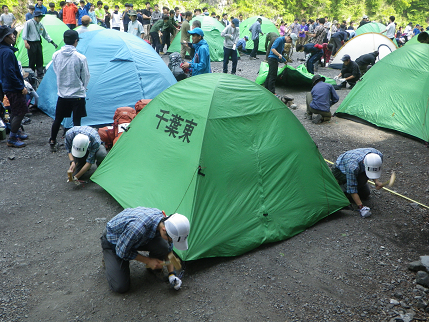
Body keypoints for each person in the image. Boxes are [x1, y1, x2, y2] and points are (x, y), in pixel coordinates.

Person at [100, 208, 190, 293]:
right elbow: (121, 251)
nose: (171, 242)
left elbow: (168, 248)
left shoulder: (164, 222)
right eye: (171, 239)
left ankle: (153, 268)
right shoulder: (137, 229)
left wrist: (172, 275)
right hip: (115, 241)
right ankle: (109, 257)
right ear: (164, 230)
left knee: (163, 245)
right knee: (120, 286)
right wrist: (148, 261)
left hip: (135, 237)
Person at [49, 30, 90, 152]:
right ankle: (75, 145)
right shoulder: (80, 57)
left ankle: (52, 140)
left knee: (58, 118)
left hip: (62, 94)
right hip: (77, 94)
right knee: (77, 120)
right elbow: (86, 76)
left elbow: (56, 71)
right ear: (75, 41)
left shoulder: (56, 55)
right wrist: (82, 87)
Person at [331, 148, 384, 218]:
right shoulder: (352, 167)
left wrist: (376, 181)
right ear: (363, 163)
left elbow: (373, 169)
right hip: (340, 172)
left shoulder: (378, 156)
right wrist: (361, 207)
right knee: (351, 190)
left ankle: (352, 191)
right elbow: (352, 188)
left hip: (358, 169)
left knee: (365, 193)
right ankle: (339, 188)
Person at [0, 26, 29, 148]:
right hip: (13, 87)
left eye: (13, 34)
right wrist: (20, 87)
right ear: (4, 38)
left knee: (15, 110)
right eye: (9, 35)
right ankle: (12, 138)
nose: (13, 36)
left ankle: (15, 131)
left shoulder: (4, 50)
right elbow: (10, 72)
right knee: (20, 111)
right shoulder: (6, 52)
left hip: (8, 85)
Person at [22, 11, 58, 78]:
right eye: (39, 17)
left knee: (39, 59)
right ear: (35, 17)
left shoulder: (40, 24)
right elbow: (25, 33)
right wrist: (25, 42)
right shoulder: (29, 23)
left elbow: (45, 34)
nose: (41, 18)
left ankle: (40, 74)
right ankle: (31, 74)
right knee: (32, 59)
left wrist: (52, 42)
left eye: (41, 17)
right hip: (31, 43)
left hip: (38, 43)